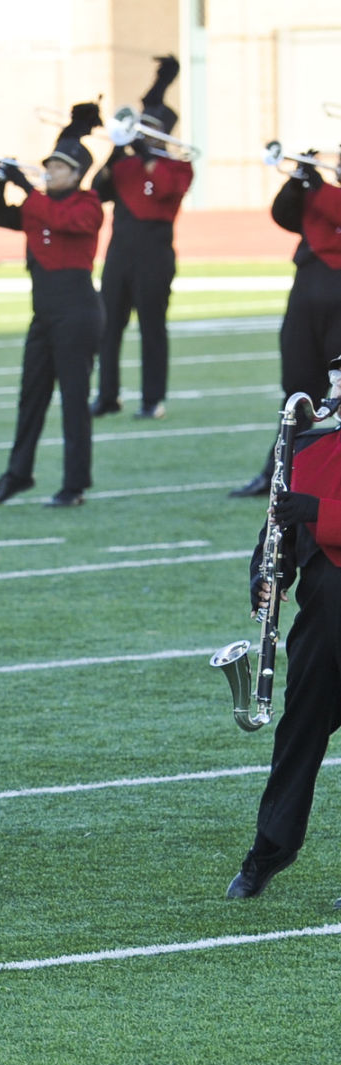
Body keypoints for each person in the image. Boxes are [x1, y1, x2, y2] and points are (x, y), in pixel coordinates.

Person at [226, 354, 341, 904]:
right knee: (298, 738)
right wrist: (266, 575)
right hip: (322, 622)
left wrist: (315, 509)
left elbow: (311, 513)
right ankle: (269, 852)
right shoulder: (306, 448)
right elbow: (277, 533)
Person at [0, 103, 106, 509]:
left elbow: (68, 222)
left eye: (58, 167)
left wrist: (27, 188)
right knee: (30, 397)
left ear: (76, 173)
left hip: (78, 311)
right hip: (45, 314)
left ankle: (75, 484)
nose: (49, 172)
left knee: (73, 401)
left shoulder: (87, 204)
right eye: (47, 166)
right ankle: (17, 474)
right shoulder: (40, 206)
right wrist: (2, 182)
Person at [232, 131, 341, 497]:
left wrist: (319, 187)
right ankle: (279, 473)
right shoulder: (322, 196)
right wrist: (298, 182)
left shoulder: (329, 197)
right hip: (307, 292)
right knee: (297, 391)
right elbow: (284, 216)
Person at [91, 57, 193, 421]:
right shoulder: (125, 162)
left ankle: (153, 400)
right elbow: (97, 190)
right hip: (119, 253)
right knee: (108, 328)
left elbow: (167, 193)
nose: (142, 134)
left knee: (152, 330)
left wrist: (151, 157)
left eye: (149, 128)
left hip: (155, 255)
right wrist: (117, 148)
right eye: (140, 127)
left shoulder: (179, 166)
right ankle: (107, 396)